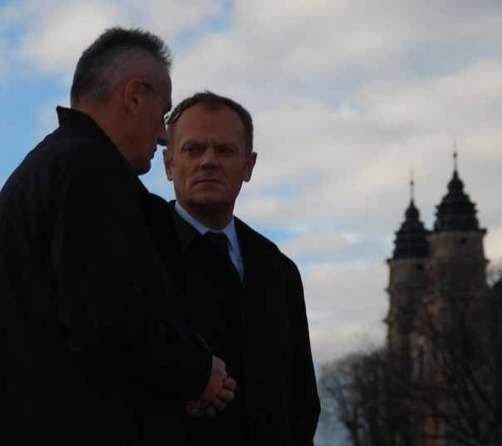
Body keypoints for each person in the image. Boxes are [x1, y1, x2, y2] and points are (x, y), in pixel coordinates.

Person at [0, 28, 233, 445]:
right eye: (163, 114)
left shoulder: (46, 168)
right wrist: (198, 373)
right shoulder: (90, 170)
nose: (164, 135)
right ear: (134, 96)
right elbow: (107, 324)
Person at [160, 91, 320, 444]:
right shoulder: (141, 250)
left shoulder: (278, 270)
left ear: (248, 166)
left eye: (224, 150)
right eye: (193, 149)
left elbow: (301, 398)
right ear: (169, 163)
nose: (208, 162)